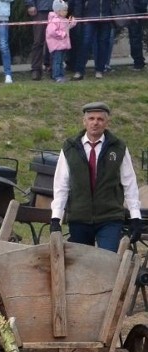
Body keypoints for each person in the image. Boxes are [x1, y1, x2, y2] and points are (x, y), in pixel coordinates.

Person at [50, 102, 142, 252]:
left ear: (107, 122)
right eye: (91, 118)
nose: (95, 123)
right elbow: (61, 185)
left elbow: (129, 183)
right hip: (79, 218)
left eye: (100, 119)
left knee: (108, 260)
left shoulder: (118, 148)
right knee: (81, 264)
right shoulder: (70, 148)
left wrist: (135, 217)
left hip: (109, 218)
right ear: (84, 121)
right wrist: (56, 219)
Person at [72, 0, 113, 80]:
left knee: (103, 44)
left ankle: (100, 70)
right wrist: (79, 16)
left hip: (106, 16)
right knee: (85, 43)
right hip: (89, 16)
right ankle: (79, 70)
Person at [46, 0, 76, 83]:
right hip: (56, 45)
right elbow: (51, 31)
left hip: (63, 45)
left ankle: (61, 75)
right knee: (57, 61)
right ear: (58, 11)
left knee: (61, 61)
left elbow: (68, 26)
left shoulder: (63, 19)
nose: (66, 12)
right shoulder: (54, 20)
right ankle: (56, 76)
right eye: (64, 10)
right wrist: (62, 34)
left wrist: (72, 22)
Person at [26, 0, 53, 80]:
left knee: (55, 40)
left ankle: (55, 68)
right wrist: (30, 5)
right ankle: (36, 69)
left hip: (56, 9)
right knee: (38, 41)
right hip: (39, 10)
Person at [128, 0, 146, 71]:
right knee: (135, 36)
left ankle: (138, 63)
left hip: (135, 9)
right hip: (137, 8)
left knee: (135, 36)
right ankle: (139, 62)